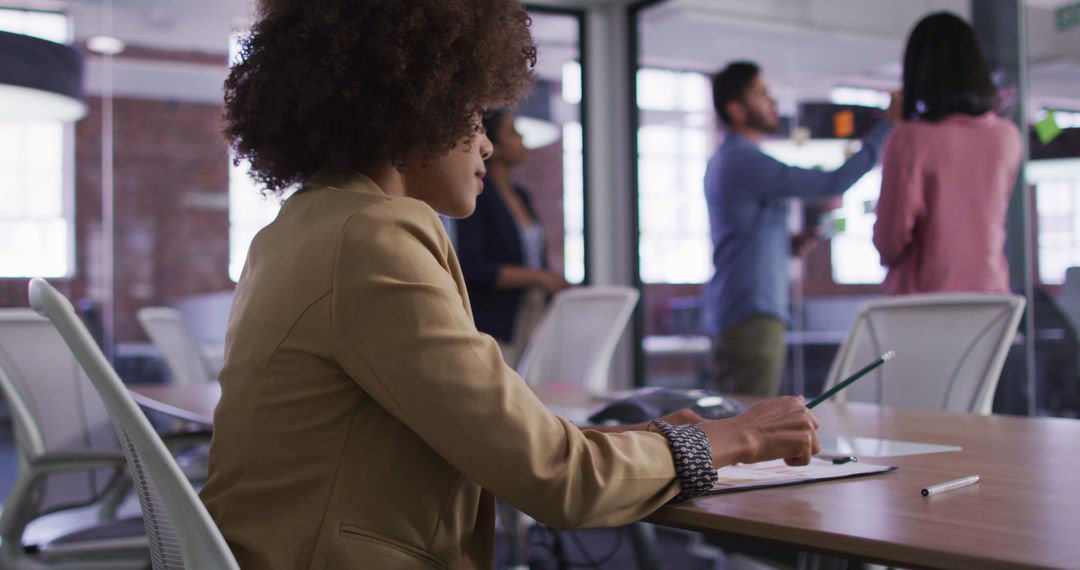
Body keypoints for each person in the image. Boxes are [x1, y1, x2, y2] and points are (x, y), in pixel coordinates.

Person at [200, 2, 820, 568]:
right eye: (471, 113)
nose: (487, 142)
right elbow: (561, 482)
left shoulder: (296, 230)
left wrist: (658, 440)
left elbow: (503, 445)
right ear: (412, 106)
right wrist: (742, 435)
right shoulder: (373, 238)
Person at [703, 61, 894, 398]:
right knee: (748, 431)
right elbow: (831, 182)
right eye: (762, 94)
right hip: (753, 318)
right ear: (736, 109)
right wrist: (886, 127)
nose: (773, 101)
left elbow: (744, 236)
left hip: (739, 313)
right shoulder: (744, 160)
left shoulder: (728, 160)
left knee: (735, 423)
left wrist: (785, 244)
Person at [873, 12, 1021, 295]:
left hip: (927, 303)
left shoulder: (909, 139)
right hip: (991, 300)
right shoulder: (1008, 137)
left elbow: (889, 241)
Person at [457, 109, 568, 366]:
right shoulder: (479, 200)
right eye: (513, 133)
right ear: (492, 144)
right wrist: (539, 277)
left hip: (531, 313)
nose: (522, 139)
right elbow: (474, 268)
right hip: (495, 320)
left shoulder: (522, 195)